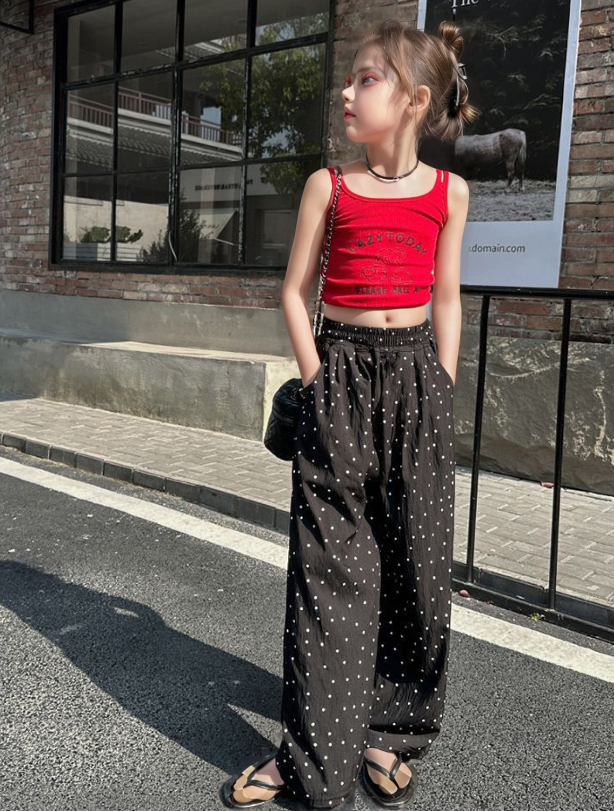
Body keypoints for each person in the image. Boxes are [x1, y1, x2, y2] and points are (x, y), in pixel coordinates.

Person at [221, 16, 478, 811]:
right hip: (342, 374)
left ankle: (391, 729)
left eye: (367, 78)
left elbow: (446, 298)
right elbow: (294, 291)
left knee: (418, 568)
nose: (347, 91)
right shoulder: (327, 186)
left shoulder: (450, 193)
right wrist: (318, 380)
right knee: (329, 571)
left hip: (417, 383)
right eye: (350, 77)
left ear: (414, 100)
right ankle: (310, 758)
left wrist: (441, 385)